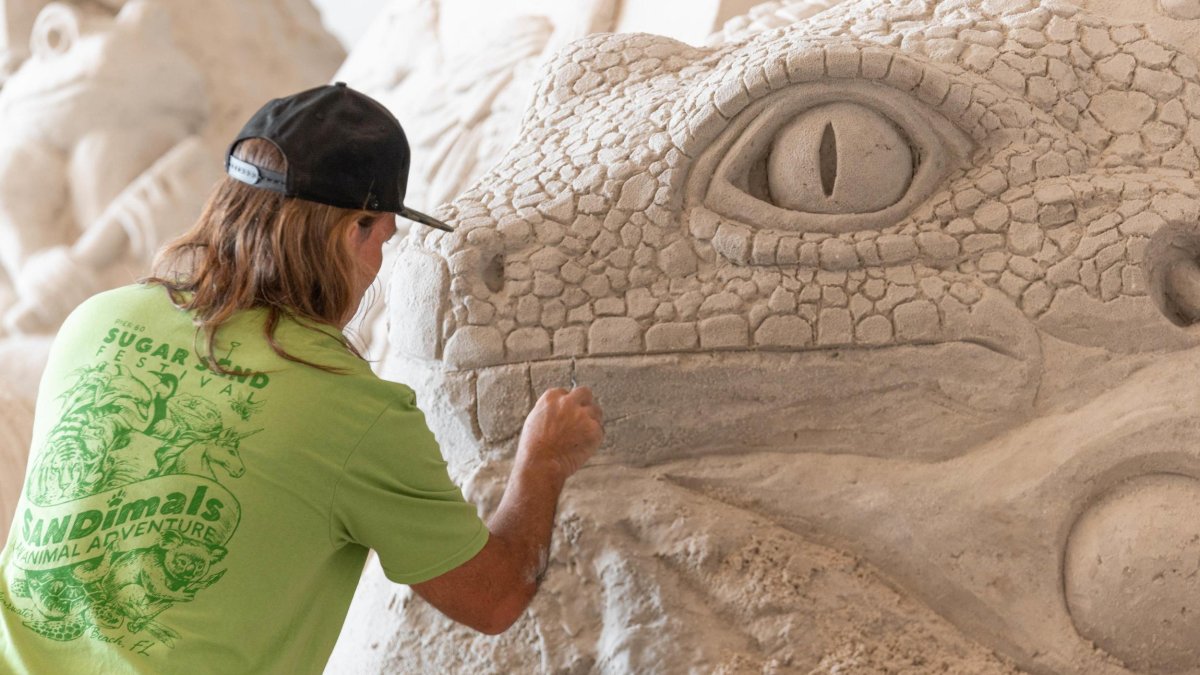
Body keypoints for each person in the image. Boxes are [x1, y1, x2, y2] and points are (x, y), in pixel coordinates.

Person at [0, 82, 604, 674]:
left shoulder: (95, 320)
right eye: (383, 241)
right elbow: (492, 597)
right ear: (355, 230)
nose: (376, 267)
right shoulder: (352, 410)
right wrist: (543, 461)